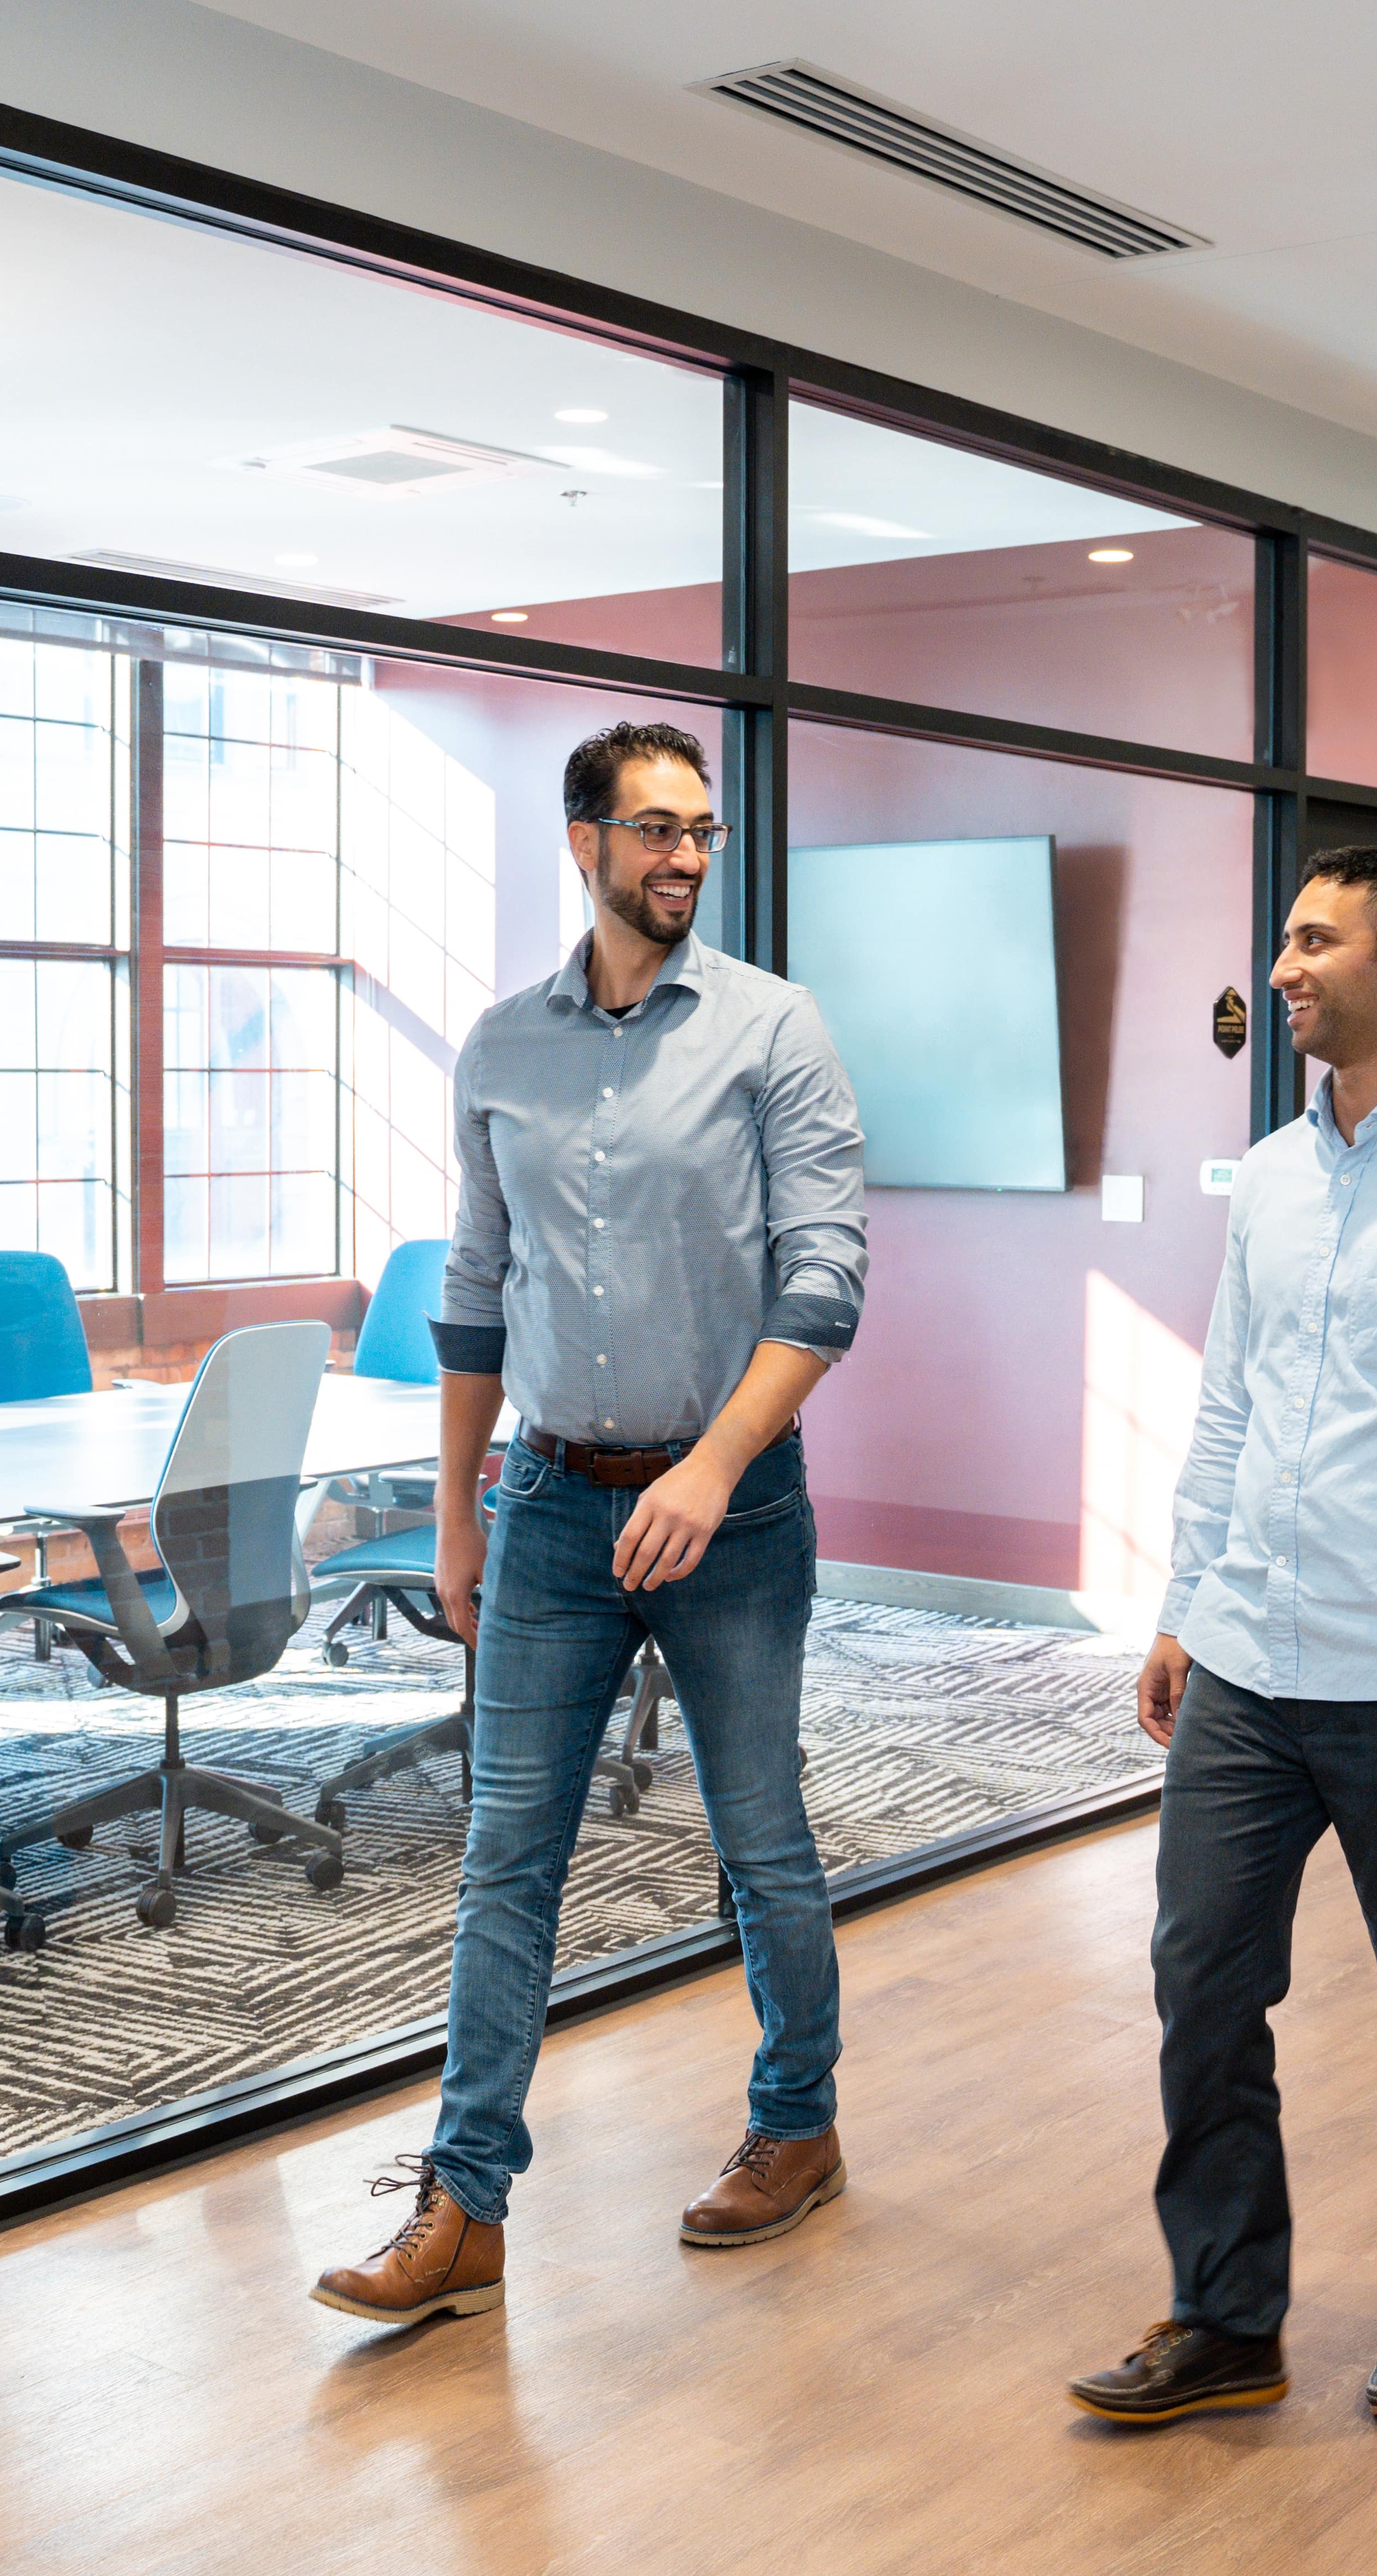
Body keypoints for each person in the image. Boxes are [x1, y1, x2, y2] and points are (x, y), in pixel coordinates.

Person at [313, 719, 869, 2328]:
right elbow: (477, 1293)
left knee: (759, 1839)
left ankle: (794, 2124)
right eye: (652, 829)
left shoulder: (775, 1030)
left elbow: (825, 1281)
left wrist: (710, 1470)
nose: (684, 855)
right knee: (506, 1859)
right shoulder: (501, 1046)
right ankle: (463, 2202)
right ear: (583, 842)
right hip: (551, 1503)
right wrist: (458, 1509)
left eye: (699, 829)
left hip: (736, 1508)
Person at [1067, 846, 1377, 2429]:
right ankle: (1225, 2315)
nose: (1284, 968)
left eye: (1314, 940)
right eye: (1284, 940)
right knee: (1200, 1983)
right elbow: (1227, 1402)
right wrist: (1180, 1600)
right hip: (1244, 1667)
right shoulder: (1274, 1176)